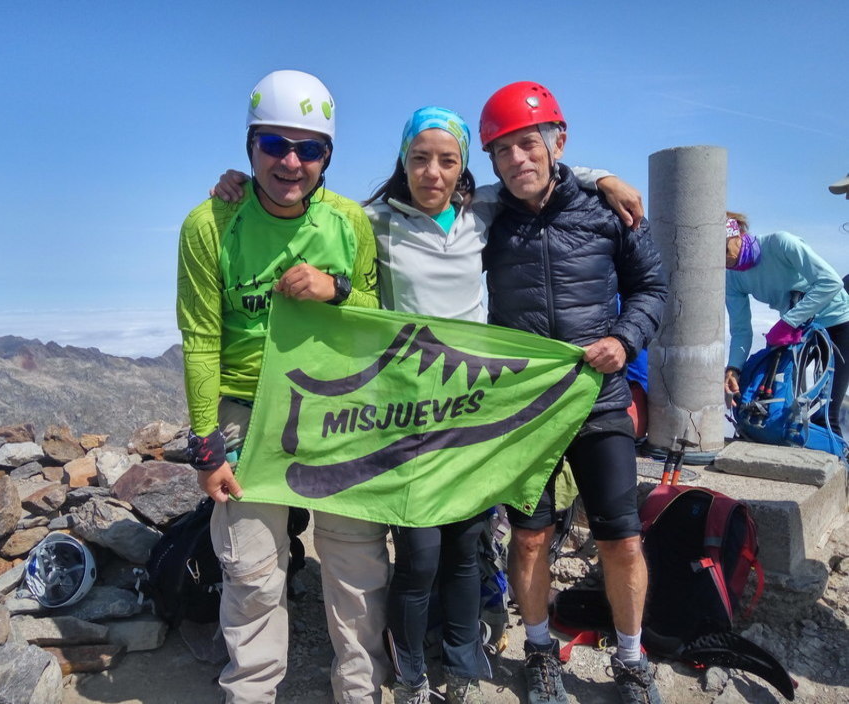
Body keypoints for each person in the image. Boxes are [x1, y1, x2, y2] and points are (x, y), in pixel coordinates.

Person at [211, 106, 645, 704]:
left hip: (469, 411)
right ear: (403, 160)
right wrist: (242, 183)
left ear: (463, 167)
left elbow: (535, 175)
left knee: (467, 548)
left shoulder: (481, 212)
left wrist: (602, 178)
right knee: (416, 553)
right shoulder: (375, 220)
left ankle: (463, 662)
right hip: (406, 416)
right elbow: (304, 202)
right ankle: (411, 669)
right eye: (419, 158)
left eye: (447, 160)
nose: (432, 172)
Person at [176, 69, 390, 704]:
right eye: (274, 144)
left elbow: (376, 317)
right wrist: (207, 446)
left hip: (337, 409)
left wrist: (337, 289)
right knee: (250, 569)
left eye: (309, 148)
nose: (290, 162)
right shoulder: (210, 224)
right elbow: (200, 338)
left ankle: (360, 691)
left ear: (328, 155)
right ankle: (250, 692)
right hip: (248, 412)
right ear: (250, 147)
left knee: (355, 563)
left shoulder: (349, 222)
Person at [479, 81, 667, 704]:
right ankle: (539, 651)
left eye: (528, 144)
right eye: (502, 150)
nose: (517, 160)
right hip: (525, 408)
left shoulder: (607, 210)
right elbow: (410, 205)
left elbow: (652, 288)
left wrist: (625, 339)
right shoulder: (485, 218)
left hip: (599, 399)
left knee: (622, 538)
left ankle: (632, 660)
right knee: (530, 536)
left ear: (557, 142)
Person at [723, 211, 849, 439]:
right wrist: (733, 369)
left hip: (839, 322)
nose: (723, 260)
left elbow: (831, 282)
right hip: (798, 332)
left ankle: (839, 458)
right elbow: (741, 330)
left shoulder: (781, 244)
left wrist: (788, 321)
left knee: (826, 414)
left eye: (723, 249)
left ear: (737, 234)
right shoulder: (732, 278)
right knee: (775, 405)